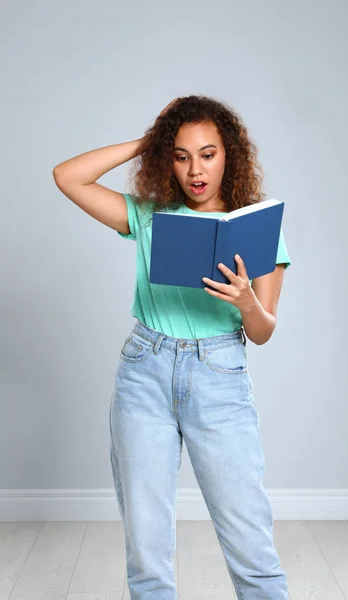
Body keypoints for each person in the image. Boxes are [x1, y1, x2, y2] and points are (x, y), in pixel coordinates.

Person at [53, 95, 291, 600]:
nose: (195, 169)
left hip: (219, 374)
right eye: (181, 156)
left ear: (230, 155)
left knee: (251, 543)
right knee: (147, 549)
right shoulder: (148, 216)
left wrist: (247, 300)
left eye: (207, 154)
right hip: (145, 372)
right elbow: (67, 176)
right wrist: (150, 142)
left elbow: (264, 330)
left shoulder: (259, 228)